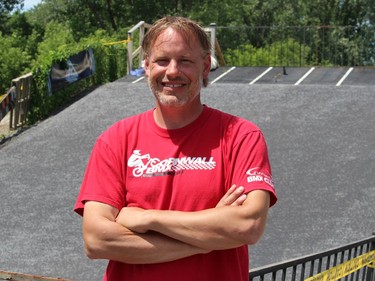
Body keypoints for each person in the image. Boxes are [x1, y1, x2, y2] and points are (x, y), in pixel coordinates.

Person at [74, 16, 277, 281]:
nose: (172, 71)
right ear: (146, 66)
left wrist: (149, 219)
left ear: (205, 67)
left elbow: (247, 226)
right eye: (162, 60)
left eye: (185, 61)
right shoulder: (115, 140)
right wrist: (208, 238)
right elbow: (97, 240)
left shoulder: (241, 136)